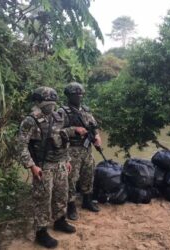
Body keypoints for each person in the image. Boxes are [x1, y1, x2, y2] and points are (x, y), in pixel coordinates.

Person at [17, 86, 87, 248]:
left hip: (61, 163)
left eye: (52, 101)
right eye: (47, 100)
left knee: (61, 194)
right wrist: (31, 166)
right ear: (38, 101)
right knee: (43, 199)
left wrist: (67, 159)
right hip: (43, 166)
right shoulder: (31, 120)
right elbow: (21, 145)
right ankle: (41, 232)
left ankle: (60, 221)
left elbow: (62, 137)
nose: (50, 104)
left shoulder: (57, 116)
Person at [58, 82, 101, 221]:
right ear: (69, 96)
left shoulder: (86, 110)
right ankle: (71, 207)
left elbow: (94, 126)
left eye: (80, 94)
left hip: (87, 148)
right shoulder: (62, 112)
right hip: (71, 150)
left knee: (88, 175)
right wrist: (74, 130)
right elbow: (57, 132)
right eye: (76, 94)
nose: (79, 96)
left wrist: (97, 136)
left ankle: (87, 201)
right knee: (71, 179)